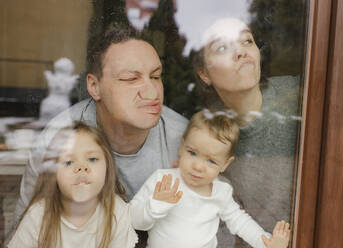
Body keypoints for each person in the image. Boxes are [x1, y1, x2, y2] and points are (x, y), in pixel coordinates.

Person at [15, 26, 188, 220]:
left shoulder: (185, 141)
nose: (152, 93)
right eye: (130, 79)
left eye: (156, 77)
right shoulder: (57, 140)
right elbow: (27, 228)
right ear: (94, 86)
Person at [193, 17, 301, 233]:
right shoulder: (209, 135)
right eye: (223, 47)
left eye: (247, 41)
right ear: (204, 73)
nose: (241, 52)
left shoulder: (297, 92)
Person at [130, 110, 291, 248]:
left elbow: (240, 222)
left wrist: (266, 242)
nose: (198, 167)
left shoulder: (221, 192)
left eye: (211, 161)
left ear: (224, 165)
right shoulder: (164, 181)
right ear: (182, 146)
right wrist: (154, 206)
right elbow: (132, 220)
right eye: (192, 153)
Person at [8, 122, 138, 248]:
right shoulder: (39, 214)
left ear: (108, 167)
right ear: (53, 173)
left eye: (92, 159)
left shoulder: (116, 211)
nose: (81, 167)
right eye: (69, 162)